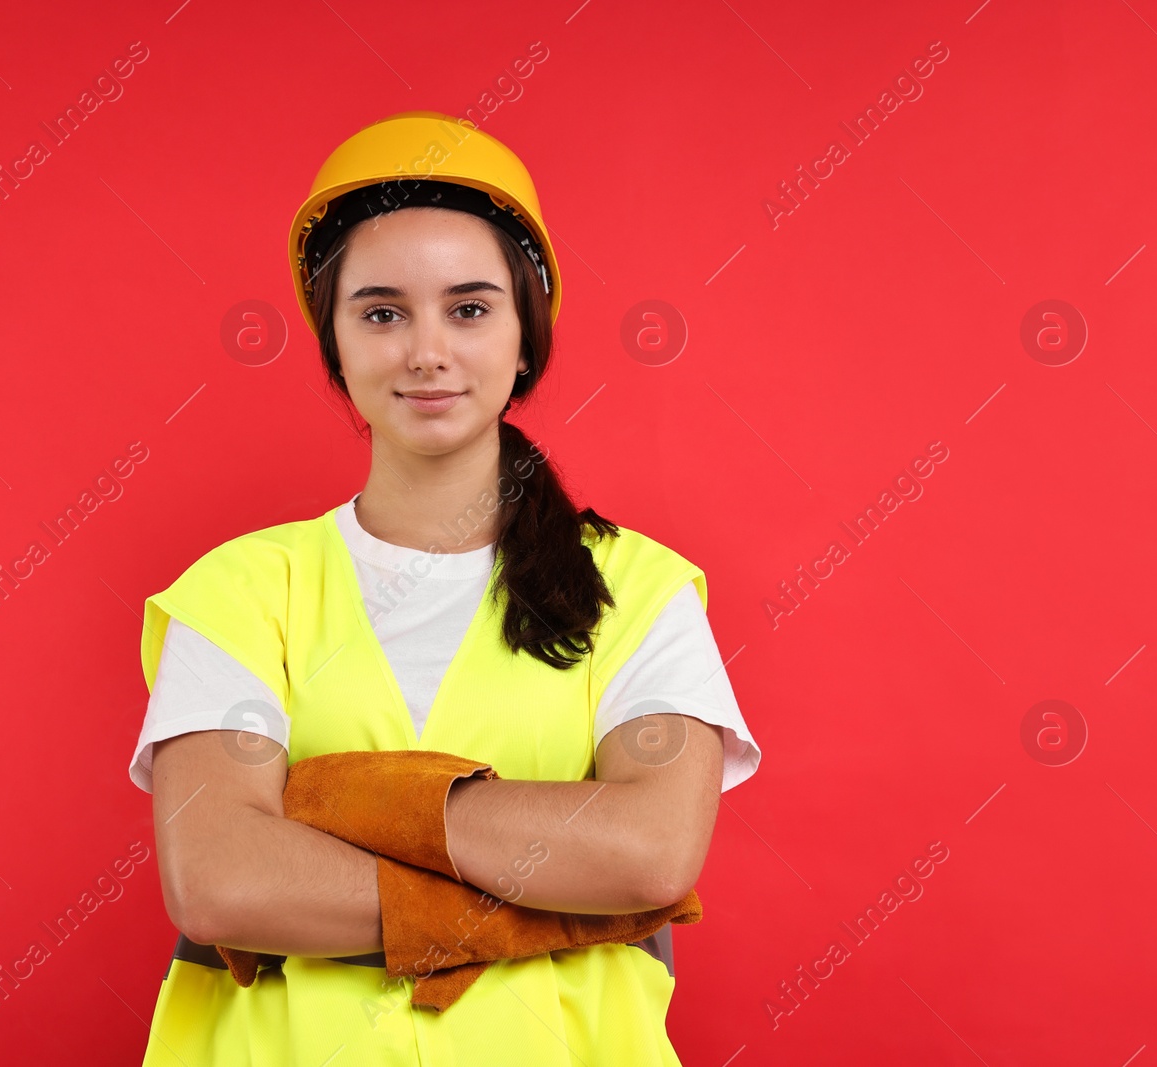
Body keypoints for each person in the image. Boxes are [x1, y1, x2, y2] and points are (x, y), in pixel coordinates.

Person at [128, 110, 762, 1065]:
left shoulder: (640, 588)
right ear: (334, 343)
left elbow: (649, 854)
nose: (427, 351)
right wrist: (548, 900)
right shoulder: (239, 591)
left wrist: (331, 801)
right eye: (381, 312)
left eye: (469, 309)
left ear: (524, 337)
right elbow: (221, 881)